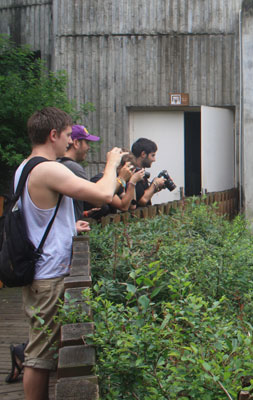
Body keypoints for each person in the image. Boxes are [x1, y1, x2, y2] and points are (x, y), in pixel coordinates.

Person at [15, 107, 124, 400]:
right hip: (49, 275)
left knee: (41, 351)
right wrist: (112, 163)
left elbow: (37, 217)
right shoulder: (47, 169)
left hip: (41, 272)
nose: (69, 142)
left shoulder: (25, 167)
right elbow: (103, 194)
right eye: (66, 135)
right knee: (39, 358)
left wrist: (68, 226)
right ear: (53, 135)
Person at [57, 124, 100, 220]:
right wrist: (115, 170)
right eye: (87, 142)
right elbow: (98, 199)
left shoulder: (58, 163)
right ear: (76, 143)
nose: (88, 147)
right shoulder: (73, 167)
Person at [130, 138, 165, 207]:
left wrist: (155, 189)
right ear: (143, 154)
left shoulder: (141, 172)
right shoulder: (133, 173)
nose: (154, 160)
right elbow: (142, 200)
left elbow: (144, 195)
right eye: (152, 155)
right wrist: (155, 184)